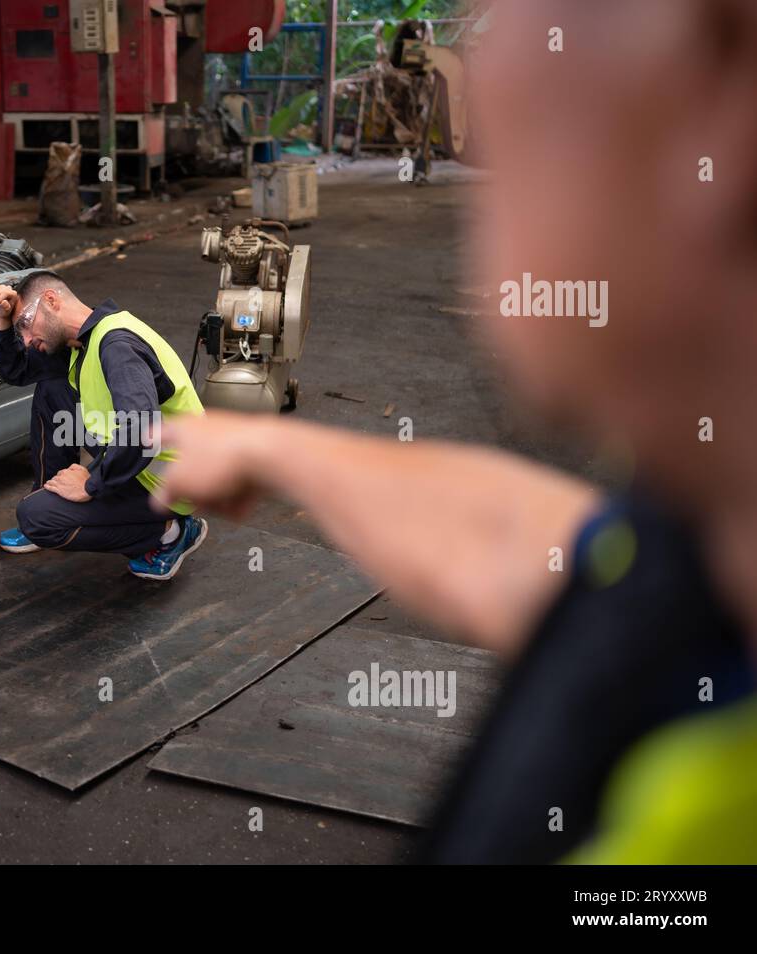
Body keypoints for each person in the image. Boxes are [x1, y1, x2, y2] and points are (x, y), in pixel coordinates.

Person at [150, 0, 757, 862]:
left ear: (722, 94)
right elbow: (546, 552)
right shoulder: (709, 533)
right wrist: (273, 448)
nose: (495, 38)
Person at [0, 270, 207, 581]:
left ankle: (170, 531)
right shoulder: (83, 341)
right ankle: (49, 492)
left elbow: (142, 432)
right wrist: (3, 318)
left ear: (51, 300)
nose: (25, 338)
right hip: (137, 462)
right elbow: (16, 370)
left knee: (35, 519)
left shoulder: (117, 344)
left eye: (25, 324)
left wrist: (91, 484)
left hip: (168, 482)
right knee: (53, 390)